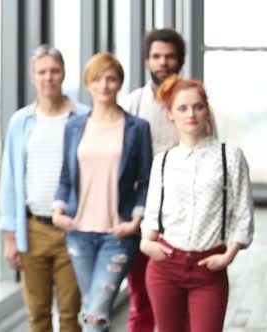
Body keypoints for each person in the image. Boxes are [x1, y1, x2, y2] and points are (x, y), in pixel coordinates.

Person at [140, 75, 254, 332]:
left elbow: (243, 213)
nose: (191, 113)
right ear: (170, 114)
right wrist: (146, 242)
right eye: (182, 108)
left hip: (209, 268)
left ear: (206, 110)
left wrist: (228, 255)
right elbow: (152, 211)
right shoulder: (164, 160)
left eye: (198, 106)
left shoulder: (230, 156)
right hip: (165, 265)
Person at [53, 52, 153, 332]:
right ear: (88, 84)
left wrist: (136, 221)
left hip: (118, 235)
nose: (105, 85)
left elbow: (146, 181)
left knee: (95, 313)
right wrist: (57, 209)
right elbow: (65, 176)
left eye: (111, 79)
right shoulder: (74, 126)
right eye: (98, 79)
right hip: (78, 232)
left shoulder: (137, 128)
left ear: (120, 83)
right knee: (93, 309)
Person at [0, 44, 87, 332]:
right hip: (32, 228)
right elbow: (10, 180)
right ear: (33, 76)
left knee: (71, 314)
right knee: (37, 315)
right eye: (42, 72)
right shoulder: (21, 121)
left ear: (63, 74)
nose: (48, 77)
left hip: (72, 230)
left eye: (54, 71)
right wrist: (11, 236)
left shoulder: (83, 118)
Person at [119, 28, 186, 332]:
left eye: (169, 56)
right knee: (141, 302)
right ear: (147, 60)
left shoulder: (191, 101)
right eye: (156, 56)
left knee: (180, 306)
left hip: (185, 216)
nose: (163, 62)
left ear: (179, 61)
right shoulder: (133, 102)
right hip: (142, 216)